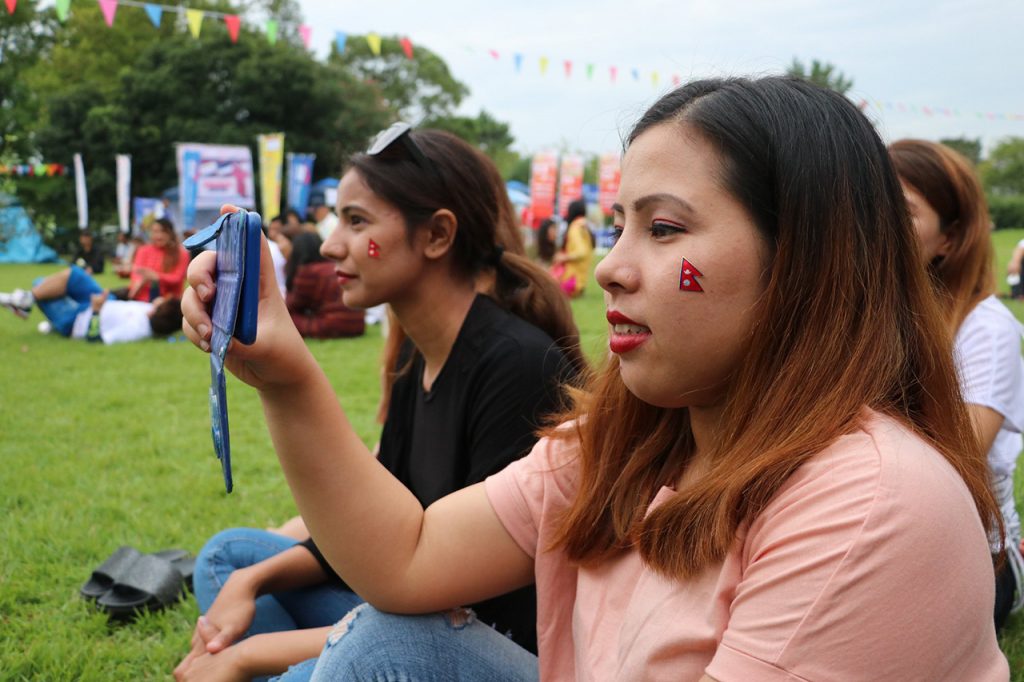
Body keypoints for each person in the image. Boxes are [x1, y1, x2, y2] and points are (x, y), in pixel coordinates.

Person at [181, 78, 1009, 681]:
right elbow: (408, 558)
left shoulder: (870, 503)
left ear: (801, 262)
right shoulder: (631, 435)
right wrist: (283, 375)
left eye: (663, 227)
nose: (609, 268)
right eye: (619, 225)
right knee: (378, 638)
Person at [174, 125, 586, 681]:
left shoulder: (516, 366)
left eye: (357, 220)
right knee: (230, 560)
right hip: (410, 609)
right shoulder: (417, 356)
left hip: (471, 642)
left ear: (437, 235)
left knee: (358, 652)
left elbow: (452, 616)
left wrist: (245, 655)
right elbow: (372, 535)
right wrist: (253, 583)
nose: (329, 243)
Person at [890, 138, 1024, 633]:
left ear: (949, 239)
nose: (877, 224)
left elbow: (958, 459)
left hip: (969, 559)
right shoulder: (863, 315)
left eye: (901, 212)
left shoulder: (985, 329)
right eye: (869, 204)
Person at [0, 266, 182, 343]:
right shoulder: (151, 310)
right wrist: (154, 282)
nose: (159, 298)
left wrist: (95, 310)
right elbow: (154, 300)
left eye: (162, 301)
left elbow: (96, 339)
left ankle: (26, 302)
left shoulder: (136, 330)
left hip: (76, 321)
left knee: (41, 283)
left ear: (159, 311)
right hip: (103, 301)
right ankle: (26, 300)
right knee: (74, 275)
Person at [285, 232, 365, 339]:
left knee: (285, 319)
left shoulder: (308, 272)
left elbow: (293, 305)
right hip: (357, 325)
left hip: (330, 326)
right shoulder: (335, 266)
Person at [126, 218, 188, 302]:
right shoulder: (143, 250)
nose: (159, 236)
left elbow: (177, 278)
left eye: (163, 231)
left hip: (168, 300)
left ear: (171, 233)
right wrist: (140, 282)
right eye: (155, 232)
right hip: (141, 297)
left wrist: (156, 276)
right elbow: (137, 273)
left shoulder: (181, 253)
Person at [552, 198, 594, 297]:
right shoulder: (584, 226)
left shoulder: (575, 228)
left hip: (572, 282)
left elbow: (581, 252)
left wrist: (564, 257)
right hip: (580, 282)